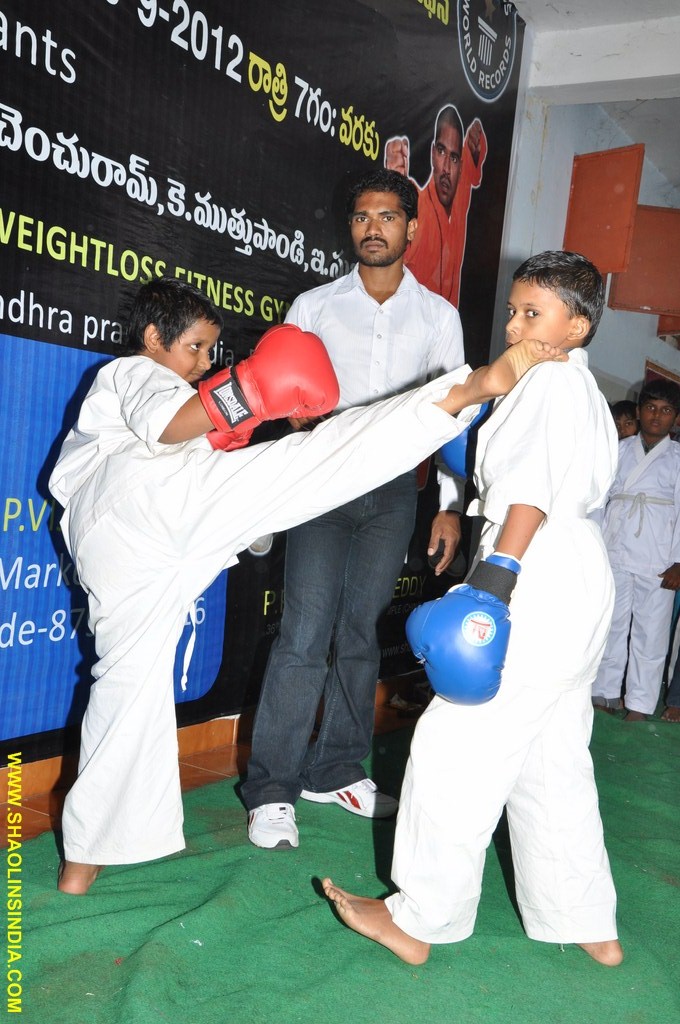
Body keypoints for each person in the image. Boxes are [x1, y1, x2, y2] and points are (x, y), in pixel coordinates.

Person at [48, 275, 566, 895]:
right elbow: (164, 428)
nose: (205, 363)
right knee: (318, 461)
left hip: (126, 547)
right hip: (143, 505)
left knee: (127, 681)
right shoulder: (132, 372)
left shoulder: (148, 399)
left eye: (213, 351)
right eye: (195, 348)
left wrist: (237, 419)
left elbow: (182, 438)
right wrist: (251, 393)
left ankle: (86, 854)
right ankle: (467, 390)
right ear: (154, 338)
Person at [322, 250, 625, 970]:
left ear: (577, 327)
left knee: (457, 742)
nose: (517, 325)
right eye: (515, 310)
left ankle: (417, 919)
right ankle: (587, 921)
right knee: (552, 758)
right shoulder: (577, 391)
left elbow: (531, 495)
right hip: (580, 576)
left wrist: (494, 583)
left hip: (533, 567)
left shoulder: (550, 384)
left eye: (536, 313)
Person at [242, 168, 466, 851]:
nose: (374, 227)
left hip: (395, 490)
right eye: (363, 216)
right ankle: (272, 790)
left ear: (412, 228)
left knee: (360, 632)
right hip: (322, 484)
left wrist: (450, 504)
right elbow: (276, 400)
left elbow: (454, 413)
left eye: (388, 216)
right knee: (305, 631)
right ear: (353, 227)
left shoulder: (438, 316)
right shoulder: (313, 306)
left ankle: (336, 767)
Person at [592, 379, 680, 721]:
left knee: (651, 631)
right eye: (651, 408)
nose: (657, 416)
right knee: (611, 623)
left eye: (666, 411)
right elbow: (600, 500)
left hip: (659, 557)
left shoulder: (676, 457)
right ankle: (606, 691)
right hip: (615, 545)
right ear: (639, 410)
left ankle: (639, 705)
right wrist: (595, 544)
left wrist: (678, 561)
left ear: (676, 418)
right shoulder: (619, 449)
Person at [385, 104, 487, 306]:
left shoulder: (458, 202)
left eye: (454, 158)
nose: (447, 168)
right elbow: (390, 241)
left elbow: (470, 174)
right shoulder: (416, 203)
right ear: (432, 153)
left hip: (446, 333)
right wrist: (393, 185)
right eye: (441, 151)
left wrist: (476, 146)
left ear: (461, 165)